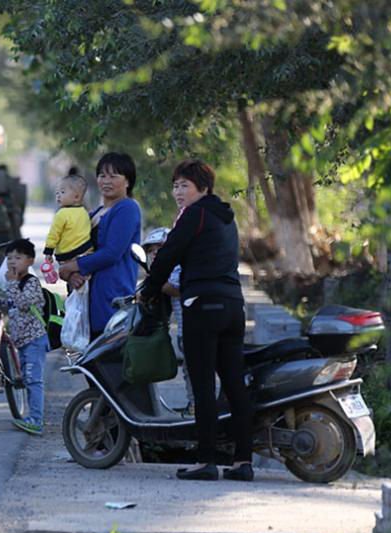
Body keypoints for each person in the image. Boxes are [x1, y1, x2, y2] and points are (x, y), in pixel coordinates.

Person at [141, 159, 255, 482]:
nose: (178, 192)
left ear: (203, 188)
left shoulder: (195, 214)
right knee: (234, 384)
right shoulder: (226, 218)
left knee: (203, 384)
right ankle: (242, 461)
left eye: (184, 185)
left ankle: (205, 460)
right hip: (233, 306)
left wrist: (149, 289)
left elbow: (167, 255)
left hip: (202, 306)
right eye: (175, 185)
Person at [59, 152, 142, 339]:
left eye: (114, 176)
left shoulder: (127, 208)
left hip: (113, 297)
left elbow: (112, 253)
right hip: (89, 299)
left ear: (128, 181)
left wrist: (73, 266)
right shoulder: (95, 212)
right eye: (102, 175)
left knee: (110, 362)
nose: (106, 181)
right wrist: (71, 275)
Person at [0, 239, 48, 435]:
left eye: (18, 258)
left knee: (34, 380)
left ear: (30, 261)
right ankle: (32, 417)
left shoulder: (31, 283)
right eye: (9, 258)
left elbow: (23, 303)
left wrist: (10, 284)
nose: (12, 262)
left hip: (34, 340)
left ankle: (36, 420)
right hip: (24, 342)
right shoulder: (16, 284)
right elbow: (10, 304)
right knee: (27, 379)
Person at [143, 227, 194, 415]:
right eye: (151, 249)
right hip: (184, 329)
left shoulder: (177, 267)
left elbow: (175, 288)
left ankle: (197, 407)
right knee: (189, 371)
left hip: (192, 328)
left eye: (160, 248)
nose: (155, 253)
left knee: (194, 372)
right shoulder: (166, 269)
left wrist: (155, 283)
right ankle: (194, 405)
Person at [43, 172, 92, 266]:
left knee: (69, 276)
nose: (58, 195)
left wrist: (48, 251)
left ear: (76, 197)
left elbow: (54, 234)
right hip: (86, 250)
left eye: (62, 192)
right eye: (57, 192)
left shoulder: (61, 214)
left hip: (67, 254)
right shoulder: (84, 212)